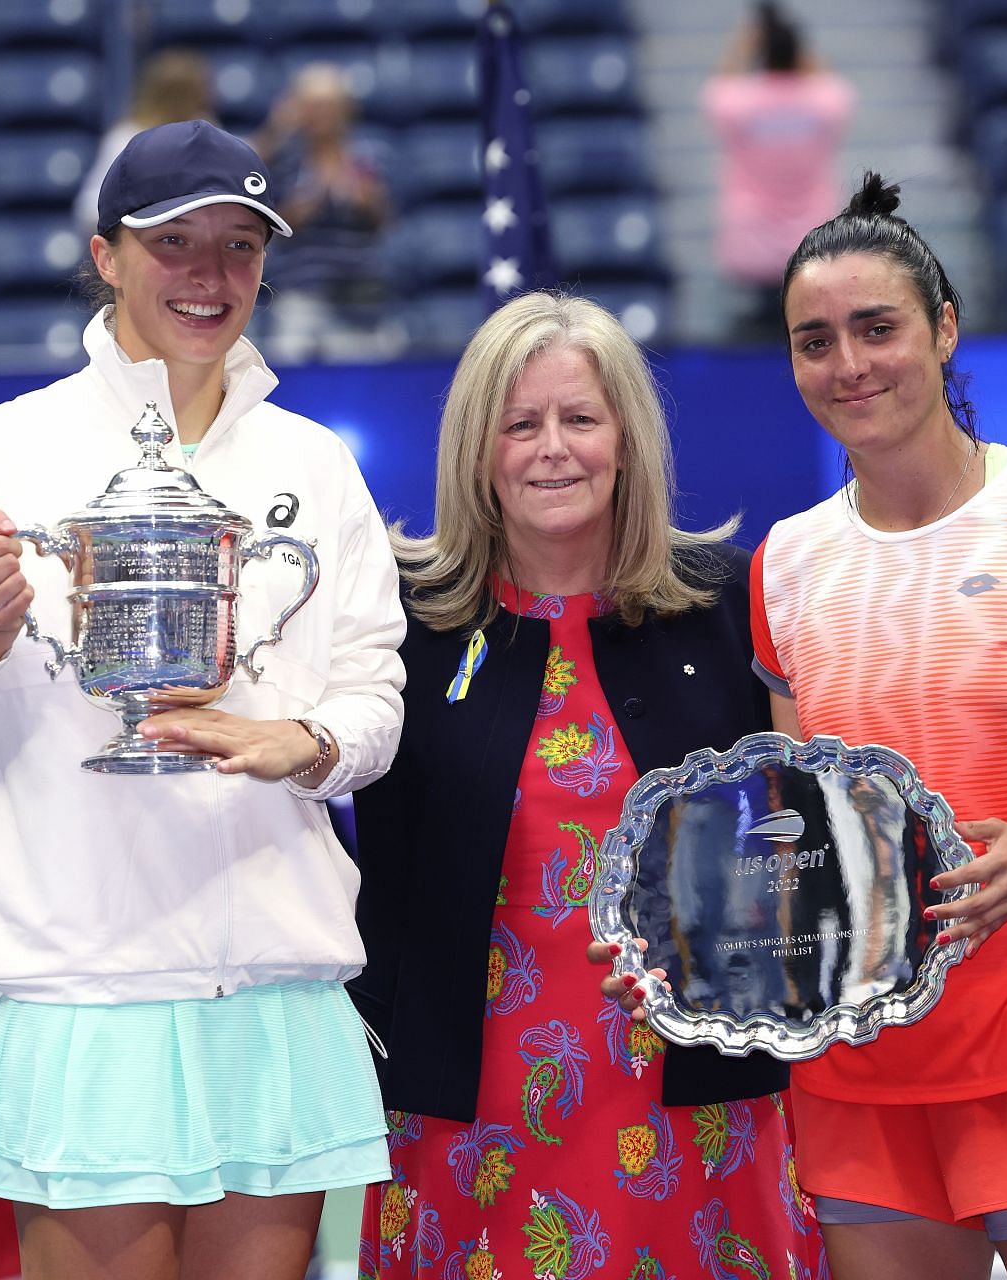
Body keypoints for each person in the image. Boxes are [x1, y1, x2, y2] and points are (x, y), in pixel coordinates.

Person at [604, 174, 1007, 1279]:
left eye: (878, 328)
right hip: (863, 1080)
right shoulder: (785, 563)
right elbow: (803, 843)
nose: (850, 364)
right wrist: (685, 948)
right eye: (815, 341)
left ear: (945, 326)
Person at [0, 119, 407, 1279]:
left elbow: (377, 697)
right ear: (106, 255)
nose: (209, 276)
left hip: (275, 983)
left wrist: (305, 741)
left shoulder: (315, 464)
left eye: (239, 247)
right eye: (175, 243)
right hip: (81, 990)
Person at [348, 291, 830, 1279]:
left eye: (579, 418)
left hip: (695, 1081)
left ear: (627, 437)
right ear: (479, 448)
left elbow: (804, 834)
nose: (551, 449)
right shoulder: (399, 618)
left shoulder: (733, 601)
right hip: (467, 1090)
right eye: (520, 423)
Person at [702, 1, 854, 346]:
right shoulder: (823, 100)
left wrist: (745, 44)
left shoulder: (740, 101)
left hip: (753, 239)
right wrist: (798, 48)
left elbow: (715, 91)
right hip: (811, 234)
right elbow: (836, 87)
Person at [255, 63, 391, 364]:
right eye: (314, 107)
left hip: (358, 297)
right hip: (302, 293)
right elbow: (265, 221)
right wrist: (303, 206)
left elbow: (386, 221)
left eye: (330, 107)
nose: (323, 115)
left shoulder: (367, 156)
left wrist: (367, 200)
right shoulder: (286, 159)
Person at [73, 47, 215, 238]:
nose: (210, 95)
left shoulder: (207, 130)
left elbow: (235, 176)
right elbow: (90, 212)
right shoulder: (126, 138)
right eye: (200, 89)